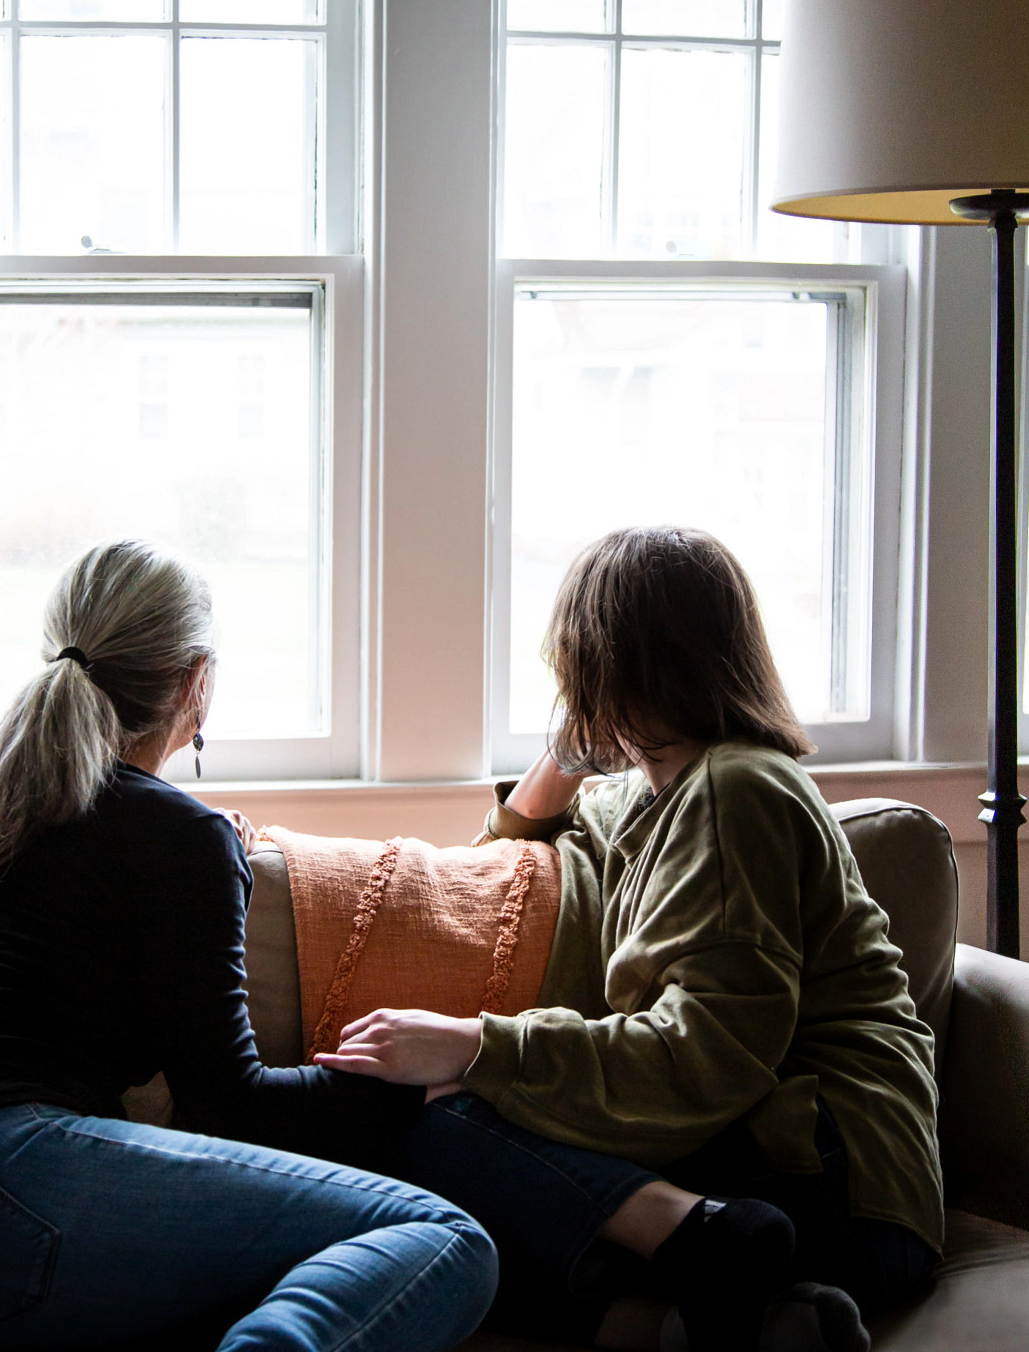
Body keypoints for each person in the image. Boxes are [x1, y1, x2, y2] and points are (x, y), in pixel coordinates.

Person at [0, 540, 497, 1352]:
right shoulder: (180, 835)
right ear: (196, 681)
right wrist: (426, 1075)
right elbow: (230, 1104)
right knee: (442, 1238)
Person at [315, 526, 942, 1352]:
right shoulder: (664, 788)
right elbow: (513, 837)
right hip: (775, 1165)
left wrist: (473, 1047)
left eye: (576, 662)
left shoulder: (734, 791)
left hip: (836, 1182)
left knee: (434, 1135)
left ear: (610, 660)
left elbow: (707, 1058)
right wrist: (576, 747)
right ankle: (726, 1318)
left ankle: (696, 1240)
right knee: (441, 1223)